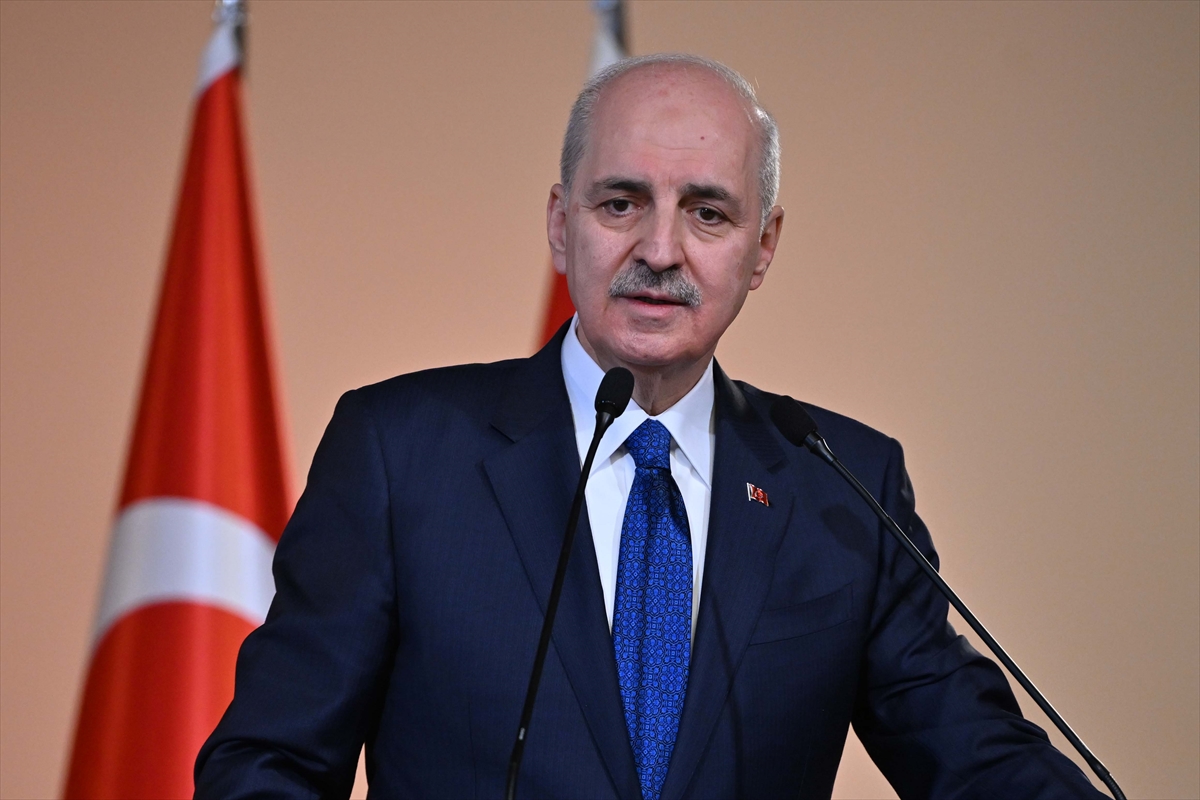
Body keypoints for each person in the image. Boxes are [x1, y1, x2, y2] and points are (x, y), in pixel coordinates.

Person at [195, 54, 1106, 799]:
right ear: (561, 225)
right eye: (621, 203)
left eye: (707, 213)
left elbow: (978, 763)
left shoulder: (842, 489)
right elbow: (268, 766)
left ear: (762, 248)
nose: (660, 251)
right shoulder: (401, 453)